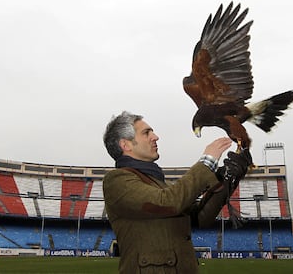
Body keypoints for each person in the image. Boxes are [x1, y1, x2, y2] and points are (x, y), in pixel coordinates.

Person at [102, 111, 252, 273]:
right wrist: (207, 161)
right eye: (146, 133)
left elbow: (199, 218)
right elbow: (167, 203)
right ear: (126, 145)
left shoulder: (158, 182)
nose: (155, 137)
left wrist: (226, 177)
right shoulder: (117, 180)